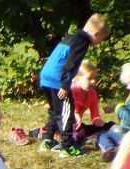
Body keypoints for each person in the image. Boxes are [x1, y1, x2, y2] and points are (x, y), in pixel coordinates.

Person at [38, 13, 109, 157]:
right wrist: (65, 85)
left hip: (46, 75)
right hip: (58, 79)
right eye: (101, 39)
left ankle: (47, 140)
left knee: (55, 111)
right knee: (67, 113)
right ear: (96, 34)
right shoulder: (82, 42)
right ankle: (67, 146)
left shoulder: (71, 37)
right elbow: (71, 63)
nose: (99, 43)